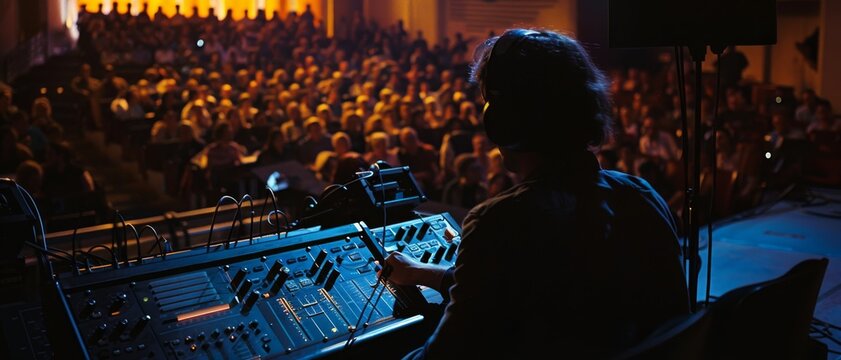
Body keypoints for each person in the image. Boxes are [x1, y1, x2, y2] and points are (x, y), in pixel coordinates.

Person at [381, 29, 689, 358]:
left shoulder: (498, 222)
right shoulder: (642, 196)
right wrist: (427, 273)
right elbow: (549, 288)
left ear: (504, 121)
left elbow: (448, 353)